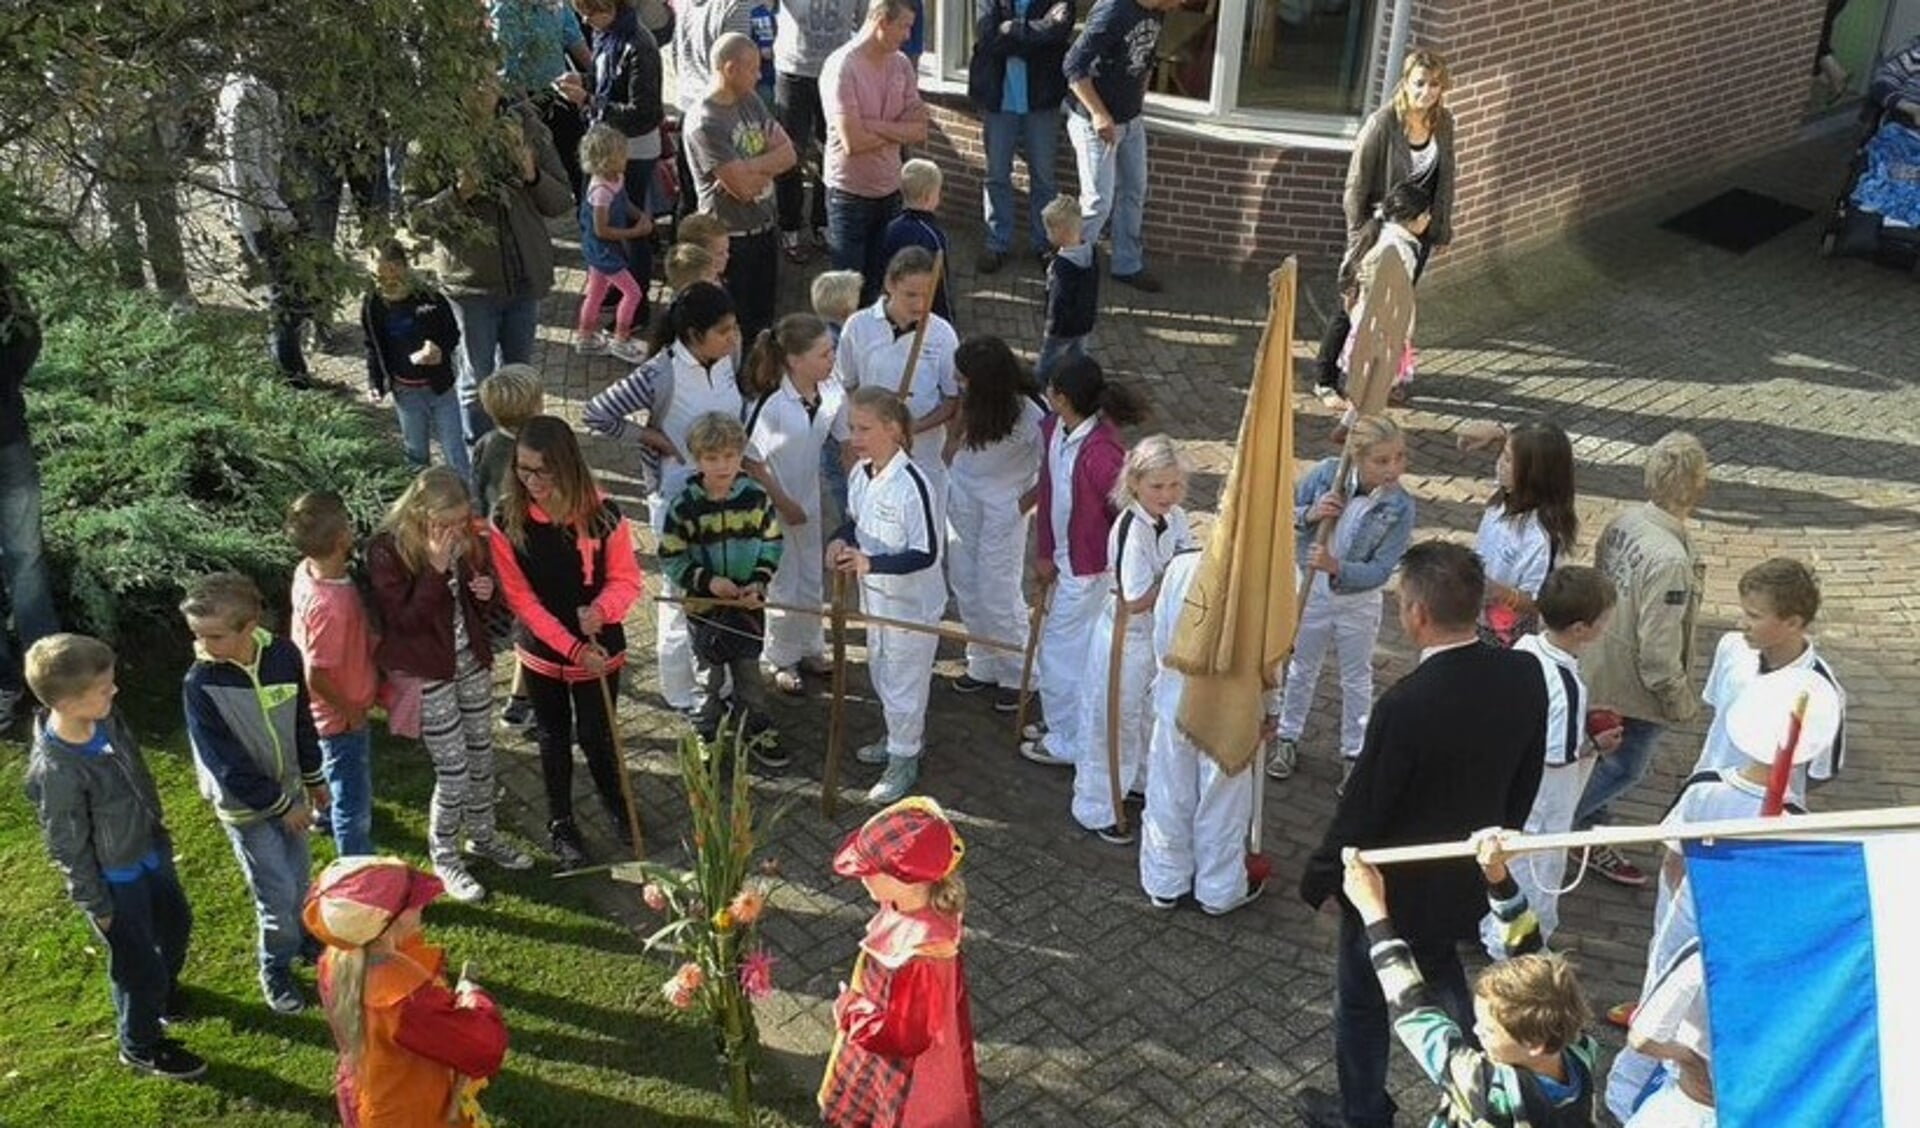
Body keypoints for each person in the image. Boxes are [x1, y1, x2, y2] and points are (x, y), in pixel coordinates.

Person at [1296, 541, 1548, 1128]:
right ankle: (1484, 1081)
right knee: (1441, 972)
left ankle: (1363, 1114)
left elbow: (1366, 806)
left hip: (1390, 888)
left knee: (1361, 1000)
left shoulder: (1405, 705)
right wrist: (1495, 850)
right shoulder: (1525, 673)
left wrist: (1324, 874)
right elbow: (1525, 774)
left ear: (1416, 614)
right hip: (1465, 871)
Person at [1606, 671, 1839, 1098]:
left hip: (1688, 906)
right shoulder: (1795, 818)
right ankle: (1654, 1078)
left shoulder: (1705, 788)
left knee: (1660, 989)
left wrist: (1675, 903)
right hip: (1734, 919)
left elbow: (1674, 857)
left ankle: (1628, 1086)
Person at [24, 633, 204, 1080]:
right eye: (105, 688)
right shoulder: (58, 771)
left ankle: (161, 994)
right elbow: (66, 844)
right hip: (116, 880)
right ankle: (140, 1043)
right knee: (136, 964)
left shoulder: (105, 719)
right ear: (67, 702)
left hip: (148, 849)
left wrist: (155, 829)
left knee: (175, 923)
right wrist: (97, 905)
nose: (115, 691)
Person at [1334, 836, 1600, 1127]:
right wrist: (1497, 876)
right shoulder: (1578, 1048)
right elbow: (1529, 948)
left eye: (1488, 1029)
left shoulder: (1490, 1090)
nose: (1475, 1030)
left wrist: (1373, 912)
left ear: (1534, 1043)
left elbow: (1416, 1015)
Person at [369, 469, 535, 901]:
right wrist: (435, 570)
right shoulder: (389, 551)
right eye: (447, 522)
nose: (457, 530)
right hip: (426, 672)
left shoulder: (463, 541)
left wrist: (485, 591)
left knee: (482, 756)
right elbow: (404, 622)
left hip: (469, 662)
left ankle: (482, 836)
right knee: (455, 771)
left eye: (462, 521)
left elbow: (479, 605)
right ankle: (444, 856)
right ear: (421, 513)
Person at [489, 417, 645, 868]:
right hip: (544, 651)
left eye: (543, 471)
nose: (532, 482)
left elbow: (626, 579)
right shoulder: (505, 517)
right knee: (552, 737)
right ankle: (561, 821)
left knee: (598, 734)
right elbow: (522, 599)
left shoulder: (604, 513)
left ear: (566, 465)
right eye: (523, 470)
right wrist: (573, 648)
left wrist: (603, 611)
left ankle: (614, 800)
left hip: (600, 648)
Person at [583, 282, 745, 714]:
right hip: (676, 500)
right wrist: (651, 436)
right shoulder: (659, 373)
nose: (733, 338)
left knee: (719, 586)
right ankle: (681, 689)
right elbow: (596, 412)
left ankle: (718, 680)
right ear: (693, 335)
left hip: (725, 494)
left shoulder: (729, 359)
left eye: (734, 329)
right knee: (681, 592)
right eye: (724, 331)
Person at [179, 573, 329, 1015]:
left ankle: (302, 940)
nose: (204, 645)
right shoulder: (200, 683)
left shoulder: (283, 655)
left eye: (214, 636)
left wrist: (314, 777)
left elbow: (302, 719)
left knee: (299, 879)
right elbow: (225, 763)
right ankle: (275, 966)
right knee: (276, 892)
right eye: (198, 636)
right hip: (248, 810)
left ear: (250, 626)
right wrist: (281, 806)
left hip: (292, 799)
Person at [1570, 431, 1710, 887]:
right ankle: (1565, 827)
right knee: (1624, 767)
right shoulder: (1670, 559)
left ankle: (1588, 831)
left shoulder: (1624, 522)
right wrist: (1677, 698)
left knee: (1595, 758)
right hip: (1635, 688)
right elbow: (1658, 646)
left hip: (1600, 663)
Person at [410, 80, 571, 444]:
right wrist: (457, 194)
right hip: (472, 285)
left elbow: (562, 201)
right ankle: (482, 458)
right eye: (473, 77)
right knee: (477, 382)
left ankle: (521, 455)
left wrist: (532, 175)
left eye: (490, 75)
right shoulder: (435, 135)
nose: (482, 87)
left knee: (520, 378)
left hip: (524, 277)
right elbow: (416, 219)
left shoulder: (525, 124)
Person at [305, 856, 509, 1128]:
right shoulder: (406, 1002)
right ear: (386, 926)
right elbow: (482, 1048)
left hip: (373, 1093)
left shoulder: (340, 956)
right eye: (412, 902)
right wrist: (475, 1000)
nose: (423, 903)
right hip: (415, 1114)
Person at [1265, 416, 1415, 785]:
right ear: (1357, 457)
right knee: (1302, 665)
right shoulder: (1326, 476)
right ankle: (1288, 735)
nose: (1392, 468)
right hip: (1311, 590)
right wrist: (1312, 514)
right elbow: (1284, 515)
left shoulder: (1400, 507)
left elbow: (1381, 569)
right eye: (1381, 461)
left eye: (1398, 458)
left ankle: (1354, 750)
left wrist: (1337, 566)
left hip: (1358, 601)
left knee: (1356, 676)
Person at [1478, 566, 1619, 955]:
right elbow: (1558, 756)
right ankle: (1514, 959)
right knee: (1533, 883)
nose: (1607, 626)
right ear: (1581, 628)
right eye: (1604, 620)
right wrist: (1596, 741)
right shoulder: (1566, 684)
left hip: (1509, 790)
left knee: (1507, 874)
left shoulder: (1524, 648)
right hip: (1541, 810)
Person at [820, 796, 982, 1127]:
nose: (861, 878)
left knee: (901, 1113)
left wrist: (851, 1012)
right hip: (883, 1040)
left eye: (869, 871)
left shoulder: (921, 952)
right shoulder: (909, 905)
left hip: (907, 1066)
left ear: (903, 877)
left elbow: (907, 1036)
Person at [1019, 356, 1143, 768]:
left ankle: (1068, 737)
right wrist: (1044, 550)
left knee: (1060, 650)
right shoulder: (1056, 429)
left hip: (1090, 568)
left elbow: (1125, 513)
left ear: (1063, 397)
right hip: (1065, 559)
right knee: (1068, 646)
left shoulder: (1101, 453)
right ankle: (1067, 721)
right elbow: (1052, 489)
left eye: (1050, 388)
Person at [1071, 434, 1192, 843]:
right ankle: (1099, 804)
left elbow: (1186, 559)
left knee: (1147, 715)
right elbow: (1136, 597)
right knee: (1113, 718)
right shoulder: (1131, 528)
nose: (1167, 494)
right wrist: (1174, 580)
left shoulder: (1176, 518)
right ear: (1136, 483)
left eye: (1174, 485)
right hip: (1124, 635)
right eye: (1157, 486)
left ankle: (1135, 783)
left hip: (1156, 635)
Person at [827, 387, 945, 805]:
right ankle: (899, 737)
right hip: (874, 600)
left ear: (893, 430)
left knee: (904, 684)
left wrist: (870, 563)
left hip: (910, 607)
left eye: (864, 428)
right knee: (881, 673)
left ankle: (904, 759)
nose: (855, 438)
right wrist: (838, 542)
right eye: (852, 428)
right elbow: (854, 523)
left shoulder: (913, 484)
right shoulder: (861, 472)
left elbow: (926, 552)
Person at [1313, 48, 1456, 390]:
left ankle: (1379, 380)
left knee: (1394, 311)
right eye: (1420, 83)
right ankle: (1325, 378)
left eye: (1435, 84)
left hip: (1418, 233)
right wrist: (1357, 238)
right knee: (1353, 304)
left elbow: (1446, 178)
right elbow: (1355, 186)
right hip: (1380, 231)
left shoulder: (1444, 122)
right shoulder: (1382, 124)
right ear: (1405, 82)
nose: (1427, 91)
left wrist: (1441, 229)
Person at [1136, 543, 1261, 915]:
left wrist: (1167, 677)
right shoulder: (1273, 578)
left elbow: (1162, 635)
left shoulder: (1181, 566)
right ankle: (1217, 890)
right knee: (1221, 799)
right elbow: (1275, 657)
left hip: (1179, 696)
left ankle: (1165, 881)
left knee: (1170, 790)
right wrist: (1270, 709)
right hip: (1231, 706)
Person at [659, 412, 787, 756]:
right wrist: (707, 582)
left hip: (748, 607)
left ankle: (755, 728)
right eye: (712, 458)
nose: (722, 465)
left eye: (730, 456)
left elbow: (773, 543)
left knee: (749, 673)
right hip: (704, 610)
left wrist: (759, 583)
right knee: (708, 676)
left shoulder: (757, 498)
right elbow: (671, 557)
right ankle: (705, 730)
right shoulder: (684, 507)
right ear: (696, 460)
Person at [1687, 558, 1846, 808]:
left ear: (1793, 623)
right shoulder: (1731, 647)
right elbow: (1719, 712)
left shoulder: (1821, 690)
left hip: (1765, 812)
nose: (1742, 624)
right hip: (1707, 792)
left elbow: (1820, 770)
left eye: (1754, 616)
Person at [742, 314, 846, 695]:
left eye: (832, 351)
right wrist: (783, 502)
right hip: (775, 505)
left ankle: (810, 647)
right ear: (795, 361)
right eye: (823, 354)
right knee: (783, 581)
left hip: (809, 499)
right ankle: (780, 657)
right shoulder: (772, 404)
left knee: (810, 576)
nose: (831, 360)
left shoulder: (831, 390)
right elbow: (751, 461)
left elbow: (846, 438)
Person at [943, 336, 1045, 713]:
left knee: (997, 590)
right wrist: (950, 454)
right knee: (965, 582)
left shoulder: (1034, 413)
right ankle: (982, 661)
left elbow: (1053, 467)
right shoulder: (976, 397)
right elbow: (959, 424)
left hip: (1004, 504)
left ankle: (1020, 674)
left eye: (964, 376)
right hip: (964, 493)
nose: (957, 380)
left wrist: (1023, 504)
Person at [1062, 0, 1184, 294]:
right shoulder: (1113, 10)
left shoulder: (1157, 11)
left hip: (1130, 120)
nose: (1179, 6)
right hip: (1095, 120)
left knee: (1134, 190)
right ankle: (1068, 271)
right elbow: (1073, 65)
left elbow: (1145, 58)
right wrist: (1099, 113)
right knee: (1098, 202)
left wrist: (1135, 103)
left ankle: (1127, 265)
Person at [685, 32, 799, 346]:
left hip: (764, 228)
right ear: (730, 68)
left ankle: (759, 382)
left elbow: (789, 154)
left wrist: (748, 165)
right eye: (753, 68)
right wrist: (763, 166)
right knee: (733, 326)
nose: (760, 75)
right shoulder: (705, 122)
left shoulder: (750, 100)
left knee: (764, 320)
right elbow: (743, 190)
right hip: (729, 242)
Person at [285, 492, 381, 859]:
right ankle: (357, 864)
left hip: (323, 714)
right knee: (352, 801)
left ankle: (324, 816)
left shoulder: (306, 571)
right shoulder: (333, 606)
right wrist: (351, 711)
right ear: (343, 538)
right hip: (339, 719)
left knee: (333, 777)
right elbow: (317, 673)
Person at [821, 0, 928, 301]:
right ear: (881, 20)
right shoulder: (843, 66)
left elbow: (920, 130)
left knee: (880, 287)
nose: (909, 35)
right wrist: (896, 129)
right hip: (848, 196)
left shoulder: (901, 64)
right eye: (904, 26)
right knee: (846, 296)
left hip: (890, 191)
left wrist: (874, 125)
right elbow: (853, 142)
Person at [834, 247, 960, 499]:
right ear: (890, 284)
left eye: (927, 295)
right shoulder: (858, 326)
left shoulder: (942, 334)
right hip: (873, 451)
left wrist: (912, 428)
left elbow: (952, 399)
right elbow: (846, 385)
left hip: (923, 455)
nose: (920, 304)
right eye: (911, 295)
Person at [216, 69, 315, 388]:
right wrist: (283, 217)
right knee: (286, 298)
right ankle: (290, 377)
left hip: (273, 209)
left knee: (292, 295)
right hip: (264, 217)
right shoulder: (245, 97)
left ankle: (292, 367)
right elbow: (244, 171)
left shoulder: (262, 88)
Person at [968, 0, 1075, 274]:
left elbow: (1059, 33)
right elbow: (987, 36)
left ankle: (1044, 244)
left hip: (1041, 99)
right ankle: (997, 243)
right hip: (1000, 98)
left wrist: (1013, 29)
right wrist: (1035, 35)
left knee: (1044, 177)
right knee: (997, 175)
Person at [472, 365, 548, 732]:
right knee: (536, 626)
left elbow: (477, 493)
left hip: (498, 551)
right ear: (536, 406)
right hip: (532, 555)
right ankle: (526, 702)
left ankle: (519, 700)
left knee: (525, 623)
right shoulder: (540, 452)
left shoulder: (486, 444)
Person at [575, 0, 666, 307]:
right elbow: (607, 83)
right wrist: (585, 85)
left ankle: (637, 303)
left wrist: (590, 99)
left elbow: (644, 111)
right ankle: (617, 284)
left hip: (634, 151)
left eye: (590, 13)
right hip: (611, 146)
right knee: (611, 221)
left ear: (610, 7)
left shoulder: (639, 45)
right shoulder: (609, 35)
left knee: (630, 228)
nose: (587, 22)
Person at [0, 259, 60, 722]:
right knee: (27, 561)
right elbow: (26, 332)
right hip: (7, 433)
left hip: (7, 437)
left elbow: (25, 331)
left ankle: (25, 679)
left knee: (26, 561)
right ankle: (50, 671)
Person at [1459, 419, 1578, 647]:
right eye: (1502, 454)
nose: (1499, 464)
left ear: (1533, 474)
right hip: (1477, 615)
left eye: (1507, 459)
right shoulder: (1507, 496)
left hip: (1506, 635)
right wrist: (1498, 432)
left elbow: (1539, 602)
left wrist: (1497, 592)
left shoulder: (1541, 538)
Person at [361, 239, 472, 483]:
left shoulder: (428, 296)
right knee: (416, 455)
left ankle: (469, 504)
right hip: (406, 391)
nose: (388, 278)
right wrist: (375, 382)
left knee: (455, 451)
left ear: (404, 265)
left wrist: (439, 349)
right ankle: (422, 508)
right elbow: (372, 345)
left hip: (440, 387)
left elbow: (452, 332)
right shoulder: (373, 304)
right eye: (379, 273)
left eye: (392, 269)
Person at [772, 0, 864, 263]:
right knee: (789, 153)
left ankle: (823, 223)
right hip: (793, 71)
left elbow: (866, 20)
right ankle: (789, 227)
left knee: (832, 151)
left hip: (835, 72)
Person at [1330, 182, 1432, 404]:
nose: (1428, 219)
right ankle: (1358, 414)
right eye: (1425, 215)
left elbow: (1348, 268)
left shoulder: (1376, 232)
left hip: (1365, 312)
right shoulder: (1399, 248)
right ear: (1411, 218)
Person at [489, 0, 594, 198]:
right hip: (524, 99)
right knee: (536, 160)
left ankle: (585, 208)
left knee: (577, 157)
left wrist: (599, 76)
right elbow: (506, 66)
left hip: (558, 91)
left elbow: (574, 38)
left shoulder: (558, 5)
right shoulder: (506, 9)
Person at [575, 123, 654, 362]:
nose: (626, 157)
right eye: (621, 154)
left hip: (605, 250)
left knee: (597, 292)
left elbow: (625, 202)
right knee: (633, 293)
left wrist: (640, 215)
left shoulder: (616, 177)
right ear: (606, 160)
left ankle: (585, 336)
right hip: (603, 251)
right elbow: (602, 230)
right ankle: (621, 338)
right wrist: (635, 231)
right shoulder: (600, 191)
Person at [812, 268, 866, 525]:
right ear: (847, 311)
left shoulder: (816, 337)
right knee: (844, 481)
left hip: (824, 426)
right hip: (840, 429)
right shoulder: (841, 344)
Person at [877, 159, 953, 323]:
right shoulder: (934, 236)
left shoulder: (890, 227)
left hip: (895, 302)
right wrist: (947, 321)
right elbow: (940, 286)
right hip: (923, 307)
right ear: (928, 197)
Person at [1037, 193, 1097, 382]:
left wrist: (1051, 328)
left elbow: (1058, 300)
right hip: (1085, 321)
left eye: (1049, 231)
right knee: (1078, 358)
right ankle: (1079, 384)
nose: (1047, 235)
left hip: (1061, 329)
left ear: (1060, 233)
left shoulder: (1062, 266)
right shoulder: (1092, 253)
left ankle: (1038, 390)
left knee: (1046, 364)